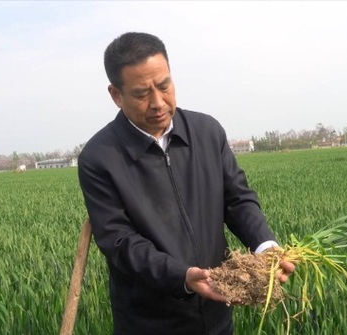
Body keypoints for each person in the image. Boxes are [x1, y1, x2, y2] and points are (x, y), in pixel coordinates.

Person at [77, 32, 295, 335]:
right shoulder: (100, 158)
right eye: (141, 94)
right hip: (150, 324)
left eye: (164, 86)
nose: (158, 102)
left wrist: (265, 245)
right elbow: (120, 242)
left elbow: (237, 199)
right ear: (116, 94)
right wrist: (183, 276)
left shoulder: (206, 132)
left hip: (217, 317)